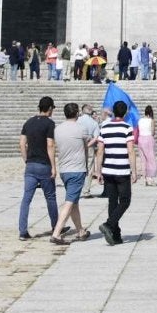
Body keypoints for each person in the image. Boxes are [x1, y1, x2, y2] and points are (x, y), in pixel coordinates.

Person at [52, 102, 98, 244]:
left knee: (74, 202)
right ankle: (56, 233)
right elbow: (86, 145)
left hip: (64, 169)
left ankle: (80, 231)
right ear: (77, 113)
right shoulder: (81, 129)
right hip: (77, 169)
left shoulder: (58, 129)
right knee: (70, 201)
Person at [18, 97, 58, 240]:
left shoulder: (28, 122)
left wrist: (26, 160)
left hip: (30, 165)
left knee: (26, 199)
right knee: (50, 197)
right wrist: (54, 166)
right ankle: (56, 226)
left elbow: (22, 143)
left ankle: (22, 231)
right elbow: (50, 145)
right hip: (44, 165)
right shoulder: (50, 124)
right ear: (50, 109)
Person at [96, 100, 135, 245]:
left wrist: (98, 171)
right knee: (125, 200)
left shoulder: (104, 127)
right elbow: (130, 150)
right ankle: (109, 224)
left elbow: (100, 151)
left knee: (112, 201)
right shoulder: (127, 127)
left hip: (108, 170)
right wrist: (134, 171)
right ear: (125, 112)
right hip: (122, 169)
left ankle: (116, 235)